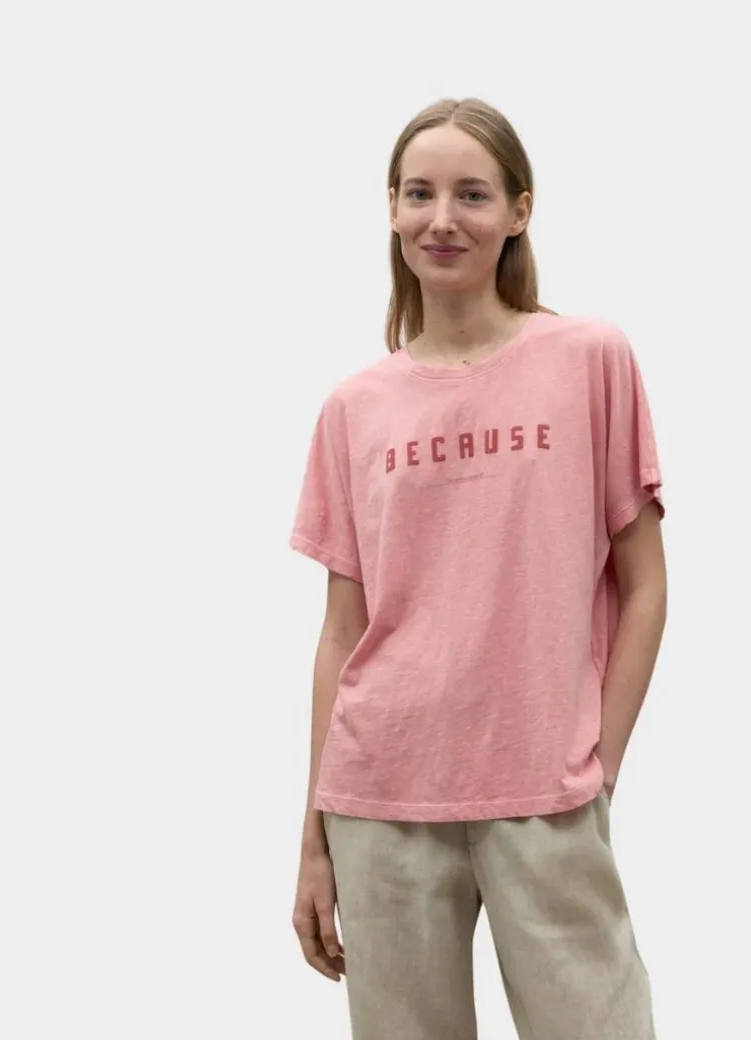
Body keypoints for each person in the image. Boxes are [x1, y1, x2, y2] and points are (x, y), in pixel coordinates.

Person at [289, 96, 667, 1040]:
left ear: (519, 211)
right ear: (391, 209)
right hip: (380, 791)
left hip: (545, 784)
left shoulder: (589, 359)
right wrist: (313, 838)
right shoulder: (353, 408)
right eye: (419, 193)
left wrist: (599, 762)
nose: (442, 218)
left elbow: (645, 585)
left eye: (472, 194)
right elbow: (342, 632)